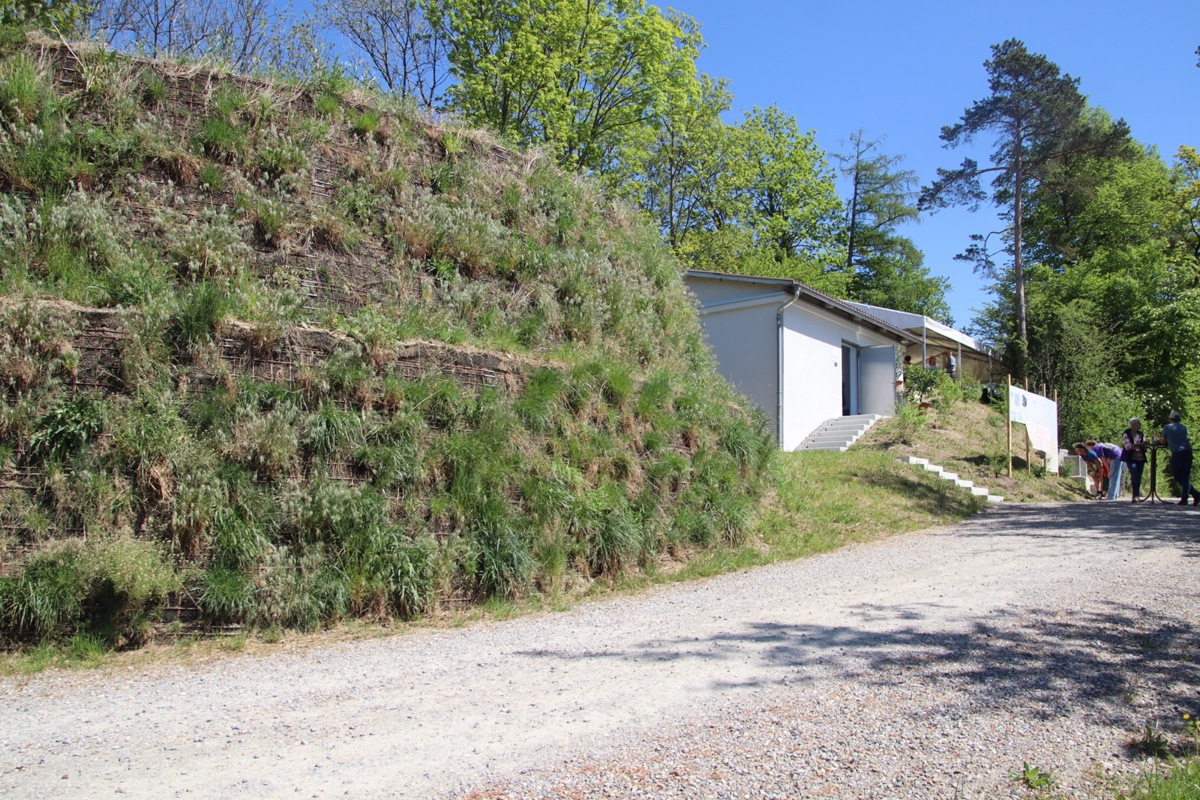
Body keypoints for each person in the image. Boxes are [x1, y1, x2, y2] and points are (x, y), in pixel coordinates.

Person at [1159, 411, 1200, 505]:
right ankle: (1190, 496)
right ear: (1179, 419)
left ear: (1170, 419)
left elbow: (1163, 441)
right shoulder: (1183, 427)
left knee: (1177, 475)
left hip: (1177, 453)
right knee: (1185, 476)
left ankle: (1192, 495)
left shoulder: (1167, 427)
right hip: (1187, 452)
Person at [1121, 418, 1148, 502]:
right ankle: (1135, 496)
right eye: (1138, 423)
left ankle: (1136, 495)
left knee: (1138, 476)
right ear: (1133, 425)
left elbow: (1142, 445)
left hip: (1141, 458)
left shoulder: (1140, 434)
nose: (1140, 425)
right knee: (1135, 475)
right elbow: (1128, 447)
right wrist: (1140, 445)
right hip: (1131, 458)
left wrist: (1145, 445)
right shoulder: (1126, 434)